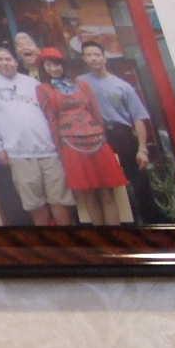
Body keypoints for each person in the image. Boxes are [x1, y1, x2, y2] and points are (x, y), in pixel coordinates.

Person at [0, 44, 74, 226]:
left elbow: (50, 113)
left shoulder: (33, 83)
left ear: (16, 62)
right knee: (34, 204)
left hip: (49, 150)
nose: (5, 63)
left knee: (59, 200)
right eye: (0, 59)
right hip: (18, 154)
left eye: (8, 59)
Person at [36, 47, 127, 225]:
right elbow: (51, 120)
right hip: (71, 145)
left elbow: (95, 111)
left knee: (108, 194)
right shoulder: (43, 89)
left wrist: (102, 136)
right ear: (43, 68)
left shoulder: (81, 84)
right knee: (89, 195)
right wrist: (59, 149)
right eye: (49, 65)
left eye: (57, 64)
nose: (54, 68)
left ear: (64, 65)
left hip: (97, 141)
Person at [77, 41, 156, 224]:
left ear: (104, 58)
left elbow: (138, 118)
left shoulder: (122, 86)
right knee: (106, 185)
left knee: (138, 182)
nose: (93, 58)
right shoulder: (79, 83)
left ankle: (147, 222)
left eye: (97, 54)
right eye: (89, 55)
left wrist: (142, 149)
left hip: (122, 136)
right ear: (84, 59)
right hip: (95, 137)